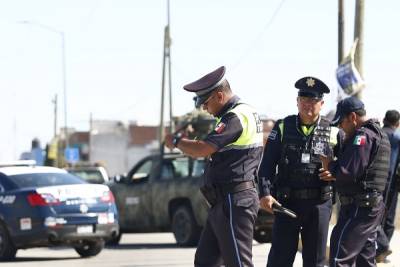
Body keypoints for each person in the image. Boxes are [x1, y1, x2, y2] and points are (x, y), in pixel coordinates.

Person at [165, 66, 264, 267]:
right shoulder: (239, 113)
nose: (204, 108)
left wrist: (176, 141)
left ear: (219, 96)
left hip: (234, 201)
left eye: (205, 102)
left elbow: (203, 148)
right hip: (224, 201)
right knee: (205, 261)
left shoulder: (236, 116)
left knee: (238, 263)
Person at [258, 76, 338, 267]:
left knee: (315, 261)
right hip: (286, 203)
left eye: (313, 100)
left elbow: (346, 168)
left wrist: (334, 175)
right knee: (279, 259)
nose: (307, 104)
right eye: (303, 99)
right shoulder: (283, 127)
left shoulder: (334, 131)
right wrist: (265, 193)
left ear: (321, 103)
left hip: (319, 205)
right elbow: (267, 165)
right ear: (297, 101)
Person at [319, 97, 390, 267]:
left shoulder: (363, 136)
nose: (341, 127)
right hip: (367, 207)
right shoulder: (377, 133)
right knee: (364, 260)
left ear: (352, 117)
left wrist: (329, 163)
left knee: (339, 257)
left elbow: (348, 172)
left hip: (360, 209)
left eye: (341, 122)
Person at [376, 109, 400, 262]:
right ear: (397, 123)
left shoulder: (377, 134)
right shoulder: (397, 137)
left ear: (384, 119)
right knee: (388, 220)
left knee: (373, 217)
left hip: (376, 184)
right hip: (392, 185)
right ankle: (383, 249)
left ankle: (380, 248)